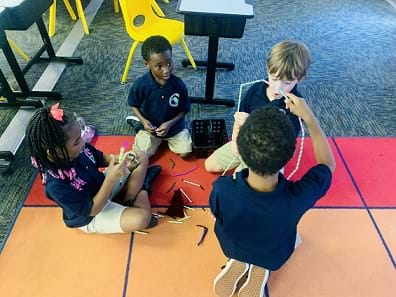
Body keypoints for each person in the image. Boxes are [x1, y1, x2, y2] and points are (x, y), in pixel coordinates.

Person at [209, 97, 336, 297]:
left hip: (231, 246)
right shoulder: (298, 197)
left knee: (242, 235)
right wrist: (310, 119)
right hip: (273, 255)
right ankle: (261, 266)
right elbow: (328, 165)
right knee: (292, 239)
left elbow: (216, 214)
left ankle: (240, 259)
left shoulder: (222, 189)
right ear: (289, 156)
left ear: (241, 150)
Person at [26, 103, 161, 234]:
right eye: (77, 142)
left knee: (140, 156)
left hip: (103, 186)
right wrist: (111, 179)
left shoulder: (78, 149)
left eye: (81, 137)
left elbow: (101, 158)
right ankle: (143, 187)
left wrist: (123, 159)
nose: (83, 143)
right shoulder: (55, 185)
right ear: (54, 152)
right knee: (142, 218)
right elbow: (92, 209)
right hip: (92, 215)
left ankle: (128, 200)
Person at [205, 40, 311, 173]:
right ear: (268, 68)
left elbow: (283, 144)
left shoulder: (296, 106)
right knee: (209, 166)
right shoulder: (256, 90)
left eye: (287, 82)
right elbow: (240, 117)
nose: (278, 88)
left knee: (240, 183)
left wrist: (250, 123)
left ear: (300, 78)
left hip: (269, 155)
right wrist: (235, 141)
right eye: (274, 78)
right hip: (245, 141)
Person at [126, 35, 192, 158]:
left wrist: (169, 124)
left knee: (186, 153)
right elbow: (133, 104)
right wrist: (144, 121)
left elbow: (184, 110)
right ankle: (138, 125)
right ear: (147, 64)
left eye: (169, 63)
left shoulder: (178, 84)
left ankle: (165, 139)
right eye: (159, 66)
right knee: (139, 157)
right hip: (150, 129)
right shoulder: (140, 85)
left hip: (173, 128)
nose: (166, 70)